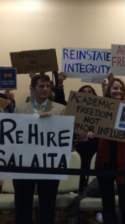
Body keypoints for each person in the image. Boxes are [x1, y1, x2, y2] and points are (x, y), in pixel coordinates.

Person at [13, 74, 65, 224]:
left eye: (48, 86)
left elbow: (65, 134)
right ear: (32, 89)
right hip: (25, 163)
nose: (45, 89)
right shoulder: (21, 108)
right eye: (41, 86)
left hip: (49, 163)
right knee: (23, 204)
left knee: (48, 204)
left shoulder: (60, 109)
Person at [95, 77, 125, 224]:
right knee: (107, 202)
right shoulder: (99, 110)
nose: (118, 91)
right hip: (105, 161)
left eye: (121, 88)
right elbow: (92, 131)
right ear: (109, 90)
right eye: (115, 88)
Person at [75, 85, 98, 193]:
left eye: (90, 91)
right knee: (80, 175)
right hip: (79, 148)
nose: (87, 94)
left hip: (95, 148)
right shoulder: (74, 109)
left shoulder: (101, 110)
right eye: (84, 92)